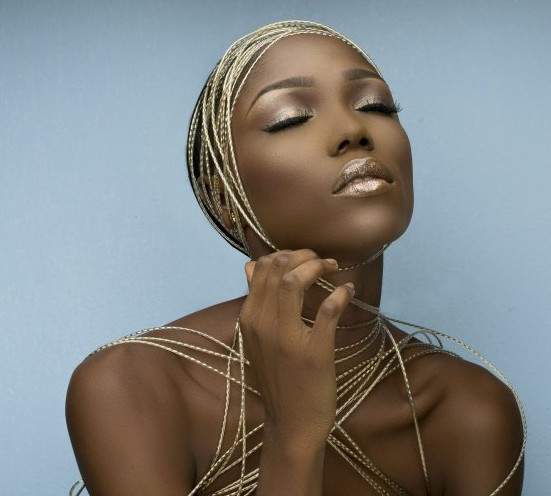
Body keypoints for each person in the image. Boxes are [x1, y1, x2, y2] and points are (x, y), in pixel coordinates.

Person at [65, 20, 526, 496]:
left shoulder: (470, 410)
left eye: (376, 106)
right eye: (290, 118)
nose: (353, 130)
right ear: (224, 195)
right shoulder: (132, 386)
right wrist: (294, 432)